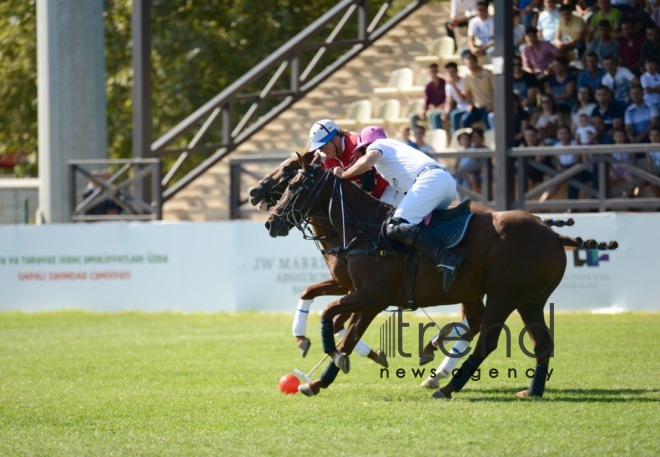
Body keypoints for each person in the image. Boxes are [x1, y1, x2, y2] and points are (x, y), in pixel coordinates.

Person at [331, 126, 461, 291]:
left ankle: (446, 259)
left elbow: (368, 160)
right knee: (421, 227)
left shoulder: (379, 145)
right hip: (445, 183)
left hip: (430, 181)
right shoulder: (394, 156)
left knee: (395, 225)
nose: (362, 153)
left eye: (362, 149)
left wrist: (344, 174)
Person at [461, 52, 494, 129]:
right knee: (464, 120)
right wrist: (470, 104)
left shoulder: (488, 73)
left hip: (489, 106)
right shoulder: (467, 77)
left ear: (476, 62)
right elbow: (468, 92)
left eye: (472, 63)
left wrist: (494, 105)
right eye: (467, 64)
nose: (470, 66)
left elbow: (498, 90)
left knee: (488, 122)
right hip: (477, 107)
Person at [412, 63, 446, 130]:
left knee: (432, 115)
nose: (433, 74)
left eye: (434, 71)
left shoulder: (444, 83)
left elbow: (448, 99)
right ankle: (416, 134)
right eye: (431, 72)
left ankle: (437, 133)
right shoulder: (428, 85)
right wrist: (423, 110)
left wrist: (441, 107)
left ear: (437, 72)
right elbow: (426, 99)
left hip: (443, 108)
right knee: (413, 117)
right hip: (433, 108)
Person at [442, 61, 470, 134]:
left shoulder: (465, 81)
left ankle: (457, 138)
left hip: (468, 107)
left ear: (457, 71)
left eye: (452, 71)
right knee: (436, 116)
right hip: (459, 108)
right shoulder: (448, 85)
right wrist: (445, 112)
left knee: (454, 115)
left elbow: (463, 99)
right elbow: (449, 101)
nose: (451, 74)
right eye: (449, 72)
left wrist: (454, 86)